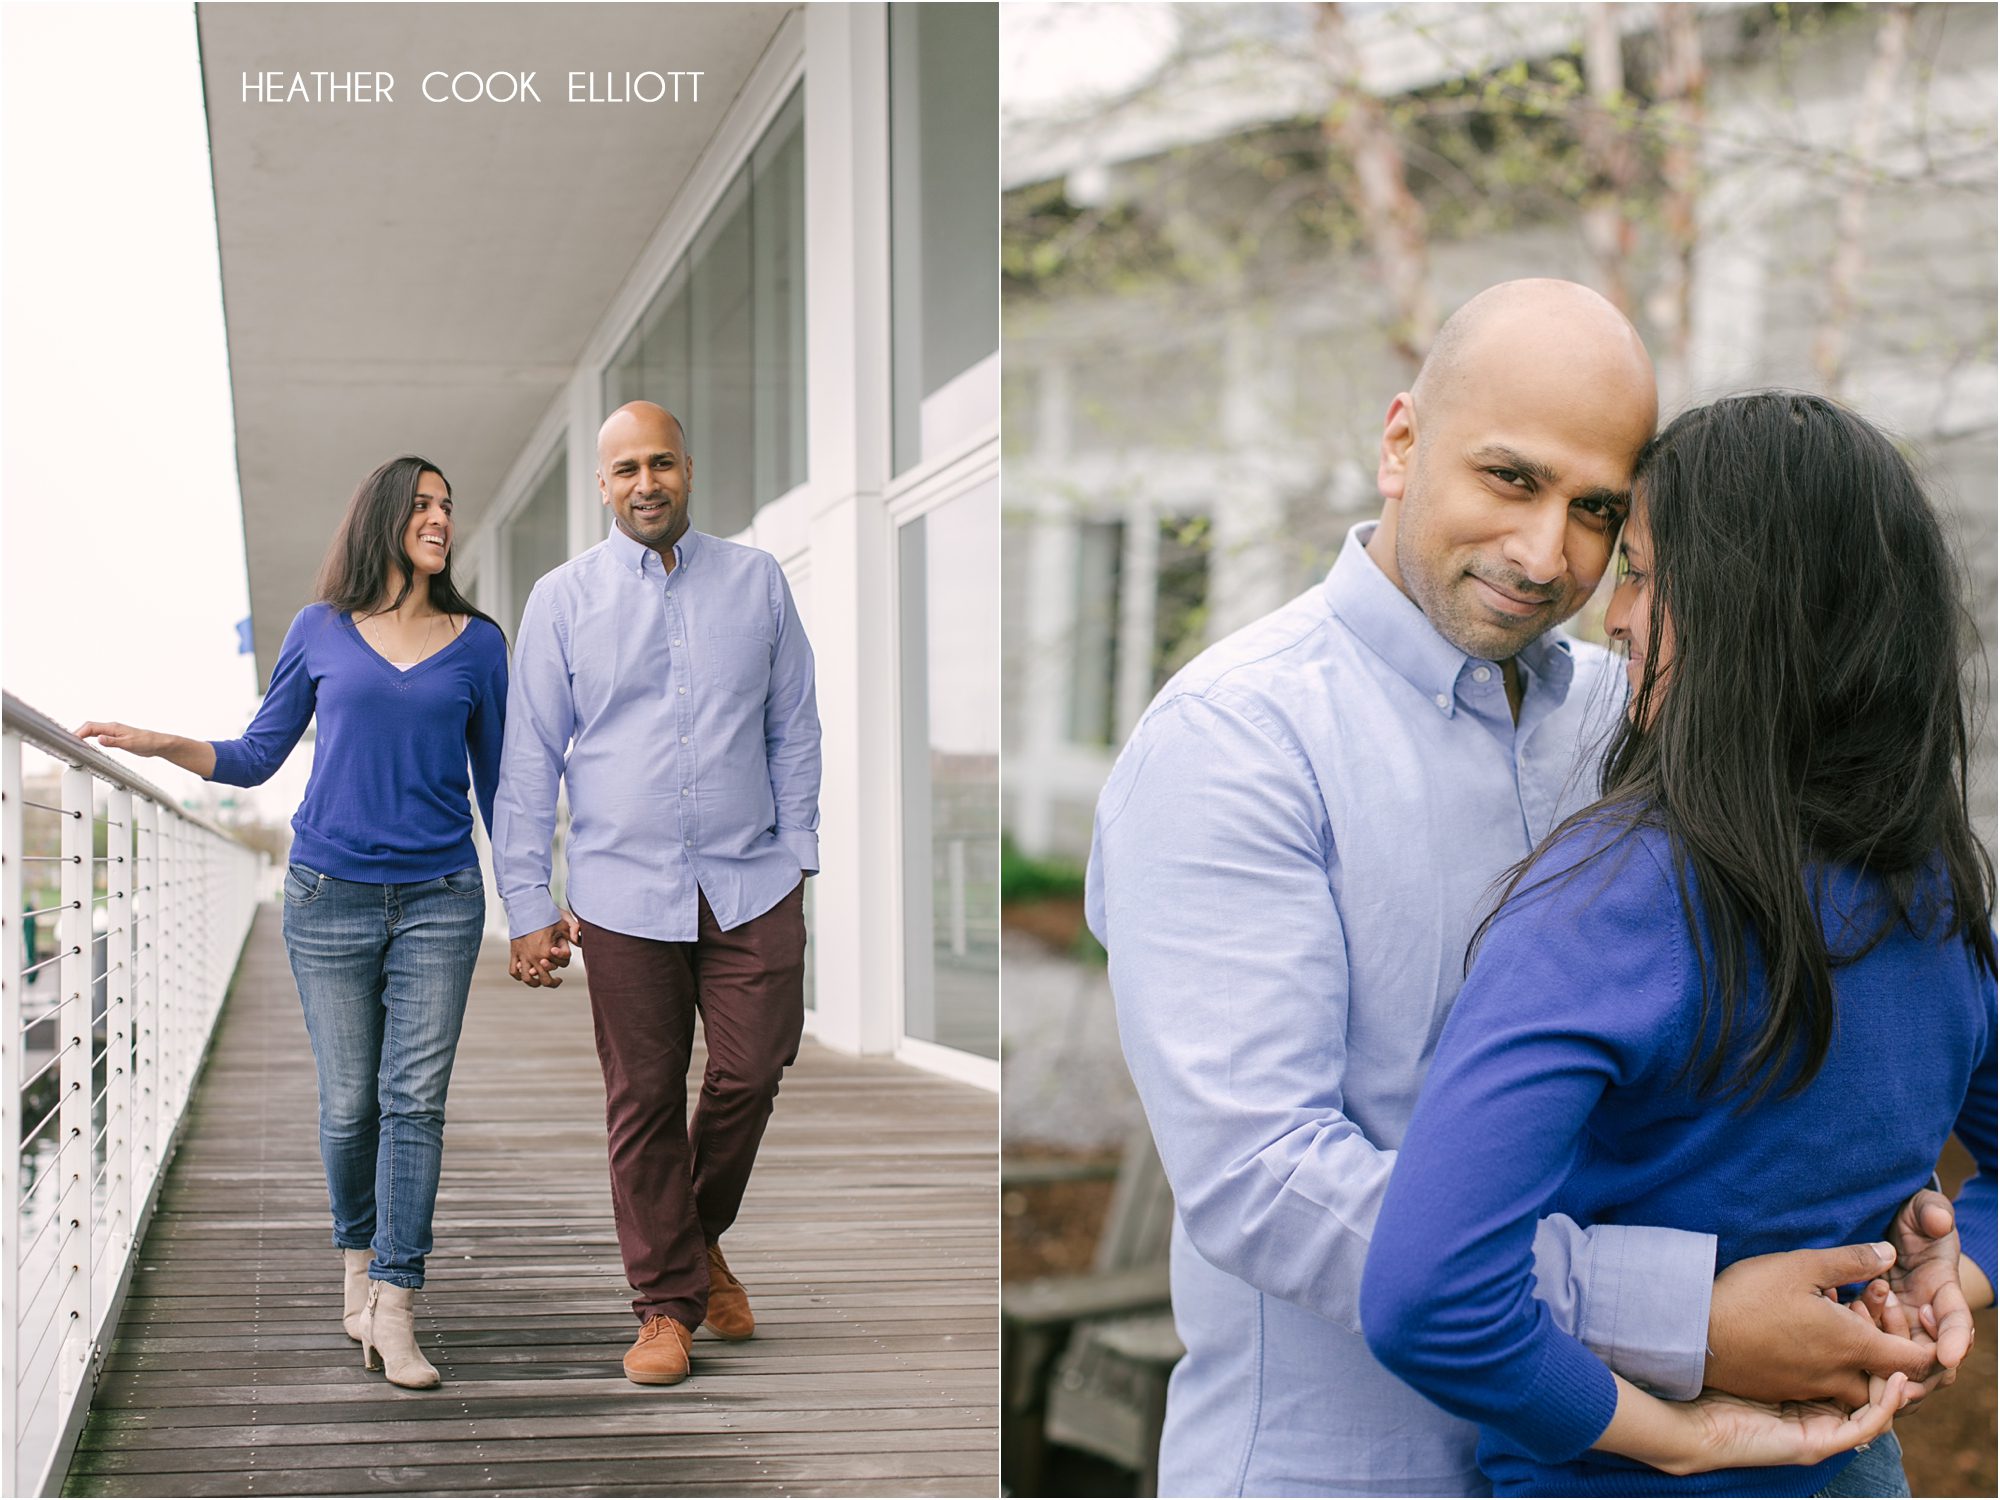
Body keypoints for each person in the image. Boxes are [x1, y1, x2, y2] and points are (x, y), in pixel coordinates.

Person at [1084, 282, 1964, 1497]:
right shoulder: (1235, 741)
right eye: (1509, 479)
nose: (1546, 556)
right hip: (1349, 1468)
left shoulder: (1637, 715)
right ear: (1401, 444)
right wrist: (1681, 1316)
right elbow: (1264, 1178)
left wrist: (1906, 1234)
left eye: (1595, 510)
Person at [1360, 392, 1995, 1496]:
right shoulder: (1934, 890)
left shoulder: (1614, 899)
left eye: (1645, 575)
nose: (1613, 615)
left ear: (1750, 618)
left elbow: (1429, 1299)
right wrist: (1949, 1281)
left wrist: (1673, 1436)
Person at [78, 455, 507, 1391]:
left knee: (414, 1102)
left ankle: (396, 1302)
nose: (440, 518)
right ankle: (357, 1263)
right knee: (350, 1104)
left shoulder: (479, 643)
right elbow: (257, 755)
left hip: (441, 897)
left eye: (447, 506)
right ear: (383, 516)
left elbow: (501, 785)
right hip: (327, 897)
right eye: (423, 504)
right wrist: (162, 742)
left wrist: (537, 904)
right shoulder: (319, 629)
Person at [493, 400, 820, 1387]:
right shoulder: (561, 599)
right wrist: (526, 903)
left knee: (752, 1069)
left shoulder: (757, 582)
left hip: (751, 879)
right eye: (627, 468)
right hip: (622, 891)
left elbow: (793, 725)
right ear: (603, 485)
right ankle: (667, 1308)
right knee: (642, 1096)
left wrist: (797, 850)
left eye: (662, 463)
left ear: (687, 470)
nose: (647, 483)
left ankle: (693, 1238)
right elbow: (528, 760)